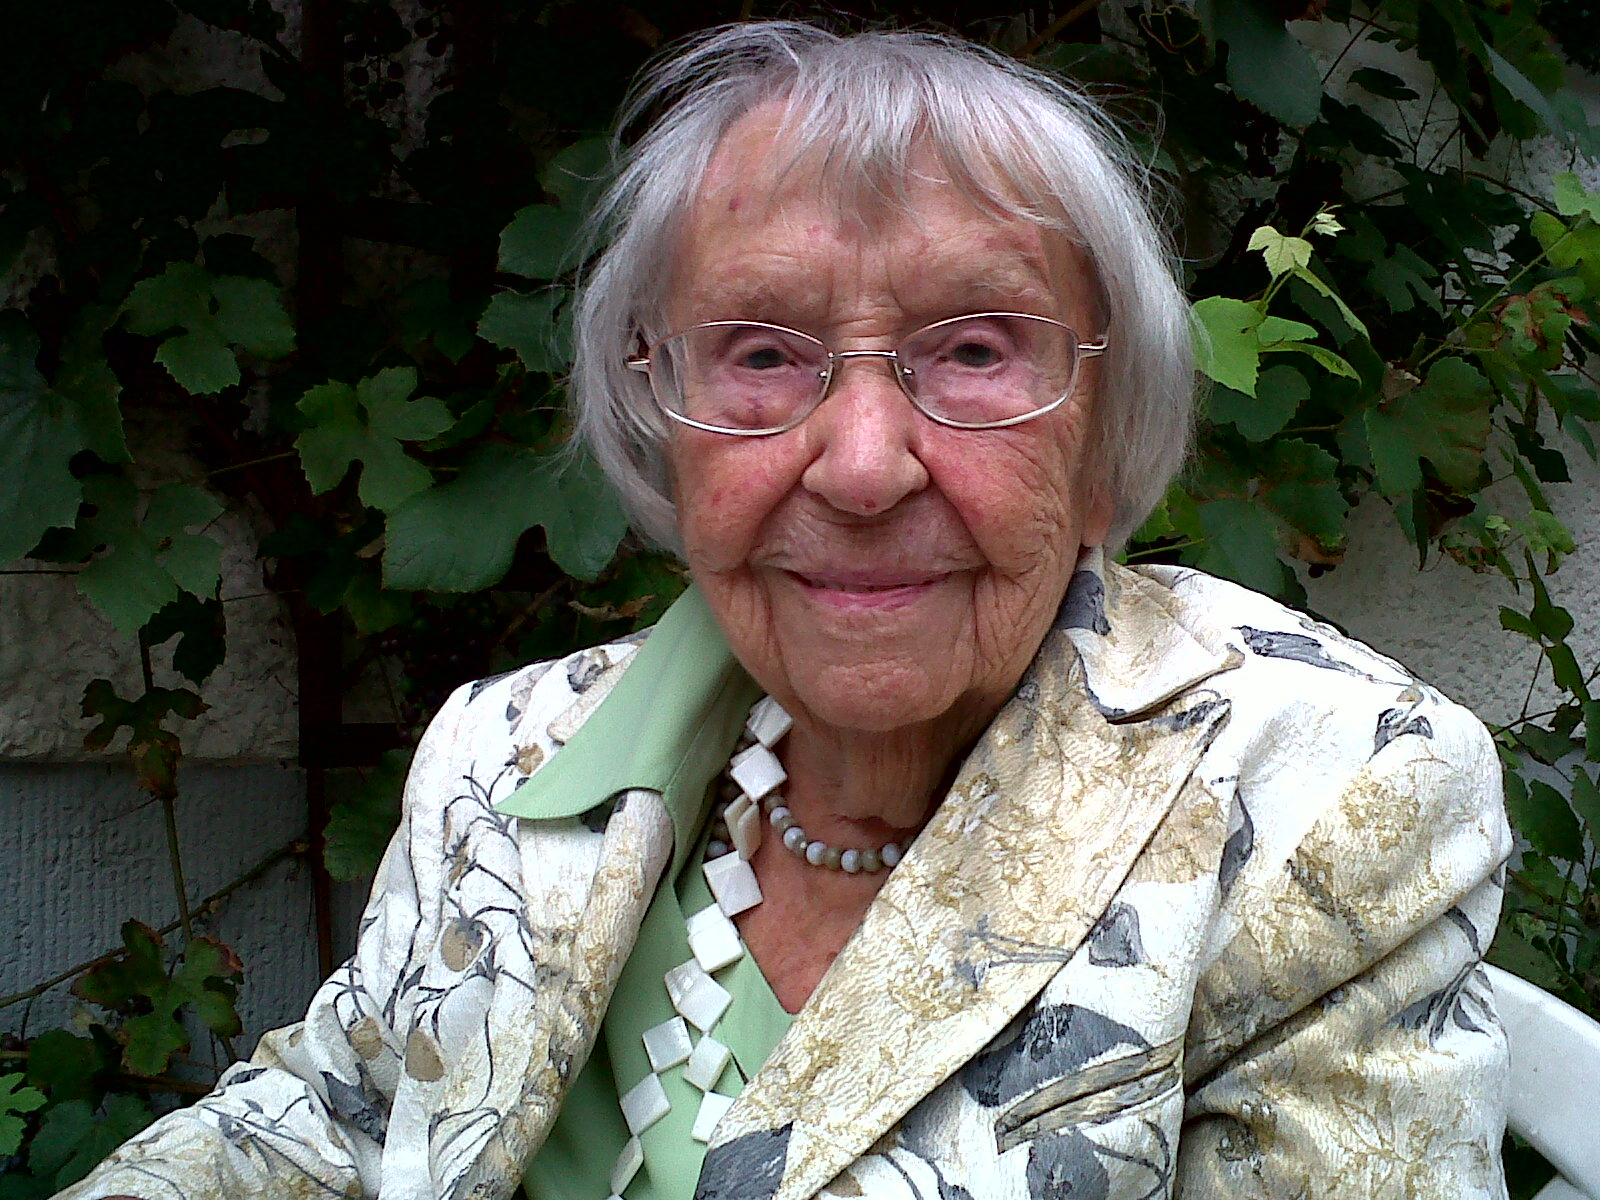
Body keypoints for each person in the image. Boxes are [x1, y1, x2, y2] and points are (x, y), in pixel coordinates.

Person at [59, 21, 1511, 1200]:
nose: (864, 465)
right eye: (762, 353)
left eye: (975, 350)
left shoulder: (1328, 799)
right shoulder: (507, 753)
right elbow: (337, 1120)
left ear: (1102, 416)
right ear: (659, 407)